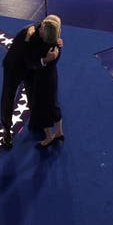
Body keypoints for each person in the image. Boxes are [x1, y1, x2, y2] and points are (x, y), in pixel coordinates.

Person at [0, 14, 61, 149]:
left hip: (32, 68)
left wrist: (58, 42)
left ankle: (36, 121)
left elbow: (46, 47)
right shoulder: (27, 35)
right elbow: (28, 60)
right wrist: (45, 60)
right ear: (42, 30)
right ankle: (6, 130)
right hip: (14, 68)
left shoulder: (49, 31)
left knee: (33, 94)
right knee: (8, 97)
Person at [27, 15, 65, 148]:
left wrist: (28, 39)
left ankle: (48, 137)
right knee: (54, 103)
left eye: (42, 28)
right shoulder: (57, 45)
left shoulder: (41, 49)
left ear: (45, 34)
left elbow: (32, 62)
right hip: (53, 77)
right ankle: (59, 131)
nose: (39, 29)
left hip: (42, 81)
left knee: (42, 109)